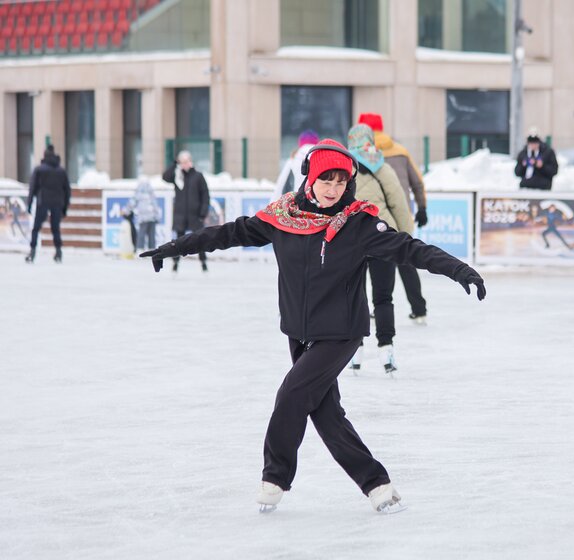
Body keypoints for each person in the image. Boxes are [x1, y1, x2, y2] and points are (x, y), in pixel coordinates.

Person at [139, 139, 486, 514]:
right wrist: (176, 247)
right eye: (327, 181)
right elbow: (228, 234)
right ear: (310, 179)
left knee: (291, 395)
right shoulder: (282, 217)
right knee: (326, 414)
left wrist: (459, 269)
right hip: (299, 331)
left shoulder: (359, 224)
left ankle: (275, 477)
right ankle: (378, 486)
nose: (334, 190)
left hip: (340, 332)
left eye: (341, 183)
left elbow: (410, 249)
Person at [347, 123, 415, 374]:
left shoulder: (344, 168)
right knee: (383, 297)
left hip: (351, 239)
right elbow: (398, 203)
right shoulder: (381, 165)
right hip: (382, 236)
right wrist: (406, 239)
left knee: (354, 296)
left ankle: (355, 350)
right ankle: (387, 349)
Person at [358, 113, 430, 325]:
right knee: (407, 262)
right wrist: (422, 207)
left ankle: (371, 308)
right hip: (401, 215)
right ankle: (419, 310)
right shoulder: (400, 151)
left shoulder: (362, 154)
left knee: (370, 267)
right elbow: (417, 182)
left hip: (373, 220)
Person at [162, 151, 210, 272]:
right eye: (182, 162)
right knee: (179, 241)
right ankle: (175, 263)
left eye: (186, 161)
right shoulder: (178, 177)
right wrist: (174, 164)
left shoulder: (198, 176)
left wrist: (203, 212)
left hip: (195, 215)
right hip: (180, 215)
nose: (184, 164)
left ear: (190, 162)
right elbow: (165, 177)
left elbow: (205, 194)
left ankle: (203, 262)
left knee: (199, 239)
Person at [25, 145, 71, 263]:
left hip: (43, 201)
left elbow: (33, 188)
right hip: (57, 202)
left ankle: (32, 251)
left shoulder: (39, 170)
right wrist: (65, 208)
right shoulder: (61, 171)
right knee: (55, 228)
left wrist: (29, 204)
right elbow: (67, 190)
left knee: (36, 228)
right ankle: (58, 251)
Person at [273, 129, 319, 200]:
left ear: (300, 143)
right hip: (317, 203)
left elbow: (281, 184)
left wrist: (273, 203)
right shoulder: (322, 160)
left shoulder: (293, 159)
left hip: (296, 202)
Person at [124, 179, 161, 250]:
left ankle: (140, 250)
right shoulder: (151, 194)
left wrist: (126, 211)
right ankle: (152, 251)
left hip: (143, 218)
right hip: (152, 217)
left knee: (141, 235)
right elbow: (156, 206)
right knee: (151, 236)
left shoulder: (139, 193)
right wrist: (157, 216)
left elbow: (132, 203)